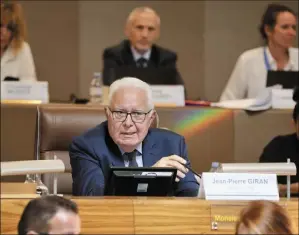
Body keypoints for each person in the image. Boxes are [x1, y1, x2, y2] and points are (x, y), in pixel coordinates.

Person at [70, 77, 198, 196]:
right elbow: (93, 197)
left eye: (137, 114)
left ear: (150, 118)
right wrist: (151, 175)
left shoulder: (172, 144)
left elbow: (191, 193)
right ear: (107, 114)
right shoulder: (87, 146)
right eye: (120, 113)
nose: (128, 123)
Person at [220, 3, 298, 101]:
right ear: (268, 30)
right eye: (285, 27)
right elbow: (227, 101)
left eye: (294, 28)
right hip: (258, 116)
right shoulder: (248, 60)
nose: (292, 33)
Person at [102, 7, 184, 87]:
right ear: (127, 31)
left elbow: (179, 93)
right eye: (139, 28)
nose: (145, 35)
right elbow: (109, 89)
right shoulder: (114, 55)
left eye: (151, 29)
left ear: (157, 34)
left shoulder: (166, 58)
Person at [259, 88, 299, 196]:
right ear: (294, 123)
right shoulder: (278, 147)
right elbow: (260, 184)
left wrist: (286, 188)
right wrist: (290, 189)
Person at [1, 2, 37, 81]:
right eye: (0, 25)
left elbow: (30, 87)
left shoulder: (23, 49)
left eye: (9, 27)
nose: (3, 32)